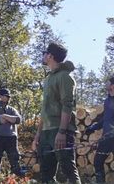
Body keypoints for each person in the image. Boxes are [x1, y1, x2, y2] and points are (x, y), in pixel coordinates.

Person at [33, 41, 81, 184]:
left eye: (45, 53)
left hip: (60, 131)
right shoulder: (48, 79)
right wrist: (37, 135)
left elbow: (67, 106)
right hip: (46, 132)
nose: (43, 56)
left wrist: (62, 132)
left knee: (68, 170)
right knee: (46, 174)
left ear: (50, 56)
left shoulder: (65, 77)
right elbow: (44, 111)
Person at [85, 76, 114, 183]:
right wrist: (93, 127)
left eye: (108, 83)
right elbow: (105, 118)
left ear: (113, 86)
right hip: (106, 137)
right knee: (97, 162)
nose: (106, 84)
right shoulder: (107, 101)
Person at [0, 87, 26, 179]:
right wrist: (9, 119)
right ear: (0, 97)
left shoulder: (11, 109)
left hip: (11, 138)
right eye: (6, 96)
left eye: (8, 96)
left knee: (15, 161)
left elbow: (18, 119)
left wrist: (4, 116)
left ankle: (17, 179)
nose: (8, 98)